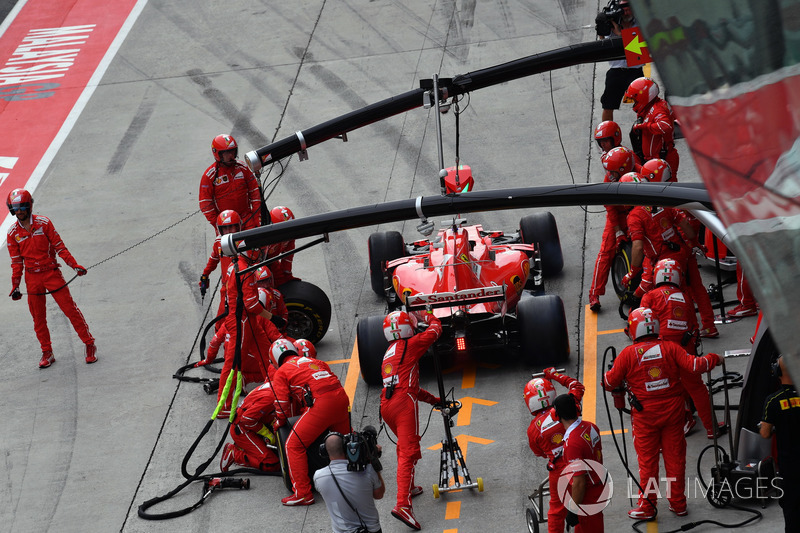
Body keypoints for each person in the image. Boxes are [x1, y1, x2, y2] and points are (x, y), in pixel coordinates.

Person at [604, 307, 720, 519]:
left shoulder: (627, 355)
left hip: (645, 418)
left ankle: (648, 507)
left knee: (647, 463)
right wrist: (714, 358)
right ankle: (678, 504)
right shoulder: (671, 347)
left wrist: (610, 375)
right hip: (673, 414)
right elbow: (696, 365)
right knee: (676, 459)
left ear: (633, 330)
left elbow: (610, 382)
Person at [6, 188, 97, 368]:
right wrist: (15, 286)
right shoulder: (12, 234)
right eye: (16, 208)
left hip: (51, 273)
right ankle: (47, 352)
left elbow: (60, 247)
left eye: (22, 207)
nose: (19, 212)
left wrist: (74, 265)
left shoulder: (44, 223)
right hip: (32, 279)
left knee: (70, 310)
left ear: (29, 206)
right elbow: (16, 264)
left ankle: (89, 344)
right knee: (38, 318)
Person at [640, 259, 724, 439]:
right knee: (697, 387)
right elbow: (694, 327)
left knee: (663, 391)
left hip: (660, 350)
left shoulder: (650, 296)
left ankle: (681, 421)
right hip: (684, 349)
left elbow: (642, 324)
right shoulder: (685, 297)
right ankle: (712, 428)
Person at [380, 309, 442, 530]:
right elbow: (436, 331)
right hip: (404, 404)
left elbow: (410, 385)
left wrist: (434, 400)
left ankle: (411, 487)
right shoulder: (411, 344)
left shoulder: (389, 352)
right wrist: (429, 314)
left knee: (405, 447)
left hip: (387, 406)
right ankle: (403, 505)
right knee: (407, 452)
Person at [271, 338, 351, 506]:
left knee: (293, 445)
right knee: (347, 441)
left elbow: (281, 405)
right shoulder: (316, 362)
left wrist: (279, 421)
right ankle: (364, 468)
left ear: (274, 359)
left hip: (321, 405)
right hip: (341, 398)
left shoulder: (281, 371)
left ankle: (303, 493)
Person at [526, 368, 586, 533]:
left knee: (556, 510)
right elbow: (577, 386)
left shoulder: (533, 429)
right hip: (581, 460)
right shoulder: (569, 406)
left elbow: (538, 453)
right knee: (582, 502)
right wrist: (554, 375)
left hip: (559, 470)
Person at [588, 145, 639, 311]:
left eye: (612, 172)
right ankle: (594, 294)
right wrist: (618, 231)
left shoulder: (641, 174)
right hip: (617, 215)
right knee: (606, 251)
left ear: (624, 169)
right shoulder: (608, 180)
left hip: (637, 212)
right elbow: (610, 207)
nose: (609, 175)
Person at [552, 394, 604, 533]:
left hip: (587, 497)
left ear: (557, 415)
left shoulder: (572, 444)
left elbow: (579, 482)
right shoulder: (591, 427)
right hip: (597, 488)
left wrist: (573, 510)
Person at [314, 432, 385, 533]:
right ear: (346, 448)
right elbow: (379, 495)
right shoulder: (367, 470)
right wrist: (373, 464)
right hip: (371, 530)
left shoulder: (318, 476)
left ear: (324, 451)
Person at [760, 356, 800, 532]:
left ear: (777, 372)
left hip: (790, 467)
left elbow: (765, 433)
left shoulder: (772, 401)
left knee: (792, 510)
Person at [199, 134, 262, 232]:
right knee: (225, 247)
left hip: (247, 219)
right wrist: (217, 223)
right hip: (227, 224)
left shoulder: (243, 168)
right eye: (227, 153)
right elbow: (205, 203)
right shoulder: (210, 175)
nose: (231, 156)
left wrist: (256, 217)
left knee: (257, 245)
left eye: (233, 152)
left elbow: (255, 193)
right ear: (218, 154)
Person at [624, 77, 679, 180]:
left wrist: (643, 126)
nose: (634, 104)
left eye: (635, 100)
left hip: (662, 160)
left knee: (667, 191)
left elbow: (665, 126)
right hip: (653, 161)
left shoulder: (658, 109)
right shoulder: (649, 108)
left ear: (643, 97)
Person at [597, 0, 643, 122]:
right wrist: (602, 30)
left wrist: (619, 34)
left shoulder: (640, 24)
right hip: (616, 71)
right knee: (608, 106)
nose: (626, 12)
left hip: (635, 71)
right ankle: (607, 135)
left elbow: (637, 52)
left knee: (644, 104)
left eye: (629, 9)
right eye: (624, 9)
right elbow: (603, 46)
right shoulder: (612, 25)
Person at [199, 209, 241, 330]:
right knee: (221, 320)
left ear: (239, 226)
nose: (230, 231)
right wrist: (205, 275)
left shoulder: (245, 241)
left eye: (233, 227)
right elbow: (213, 260)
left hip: (244, 286)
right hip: (227, 288)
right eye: (226, 228)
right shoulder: (218, 242)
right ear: (220, 229)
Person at [265, 205, 299, 287]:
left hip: (272, 261)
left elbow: (288, 257)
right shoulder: (265, 240)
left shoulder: (291, 237)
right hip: (257, 265)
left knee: (283, 282)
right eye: (285, 230)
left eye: (291, 228)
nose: (289, 233)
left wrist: (287, 275)